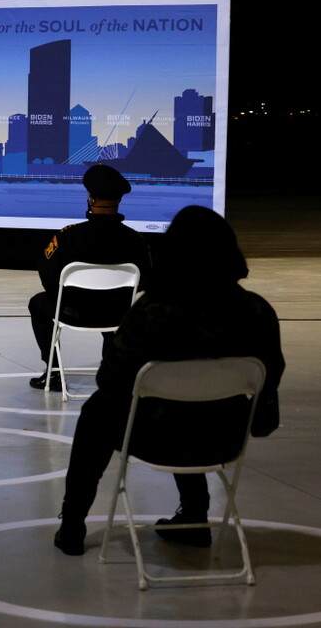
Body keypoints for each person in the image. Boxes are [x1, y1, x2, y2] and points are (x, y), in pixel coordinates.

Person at [53, 205, 285, 556]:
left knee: (98, 412)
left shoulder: (151, 310)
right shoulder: (257, 311)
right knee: (194, 408)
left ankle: (72, 523)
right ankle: (194, 514)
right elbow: (271, 378)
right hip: (223, 437)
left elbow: (112, 382)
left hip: (154, 438)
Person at [28, 163, 151, 391]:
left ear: (91, 199)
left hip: (73, 313)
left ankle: (53, 372)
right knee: (116, 314)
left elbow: (47, 274)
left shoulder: (69, 236)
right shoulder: (135, 240)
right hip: (116, 314)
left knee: (38, 303)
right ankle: (112, 373)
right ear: (119, 200)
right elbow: (145, 279)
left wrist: (67, 303)